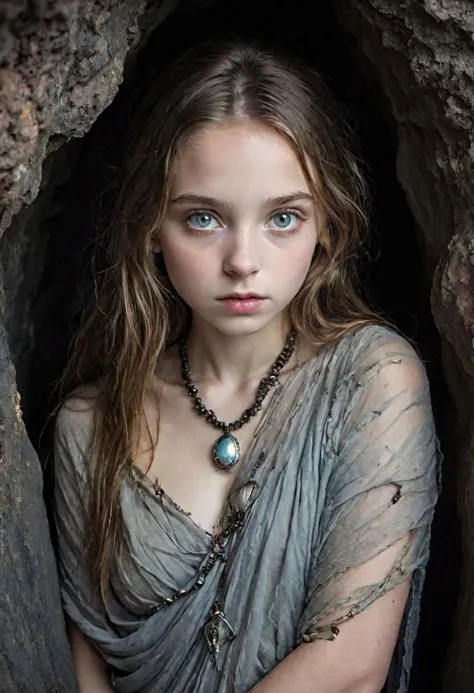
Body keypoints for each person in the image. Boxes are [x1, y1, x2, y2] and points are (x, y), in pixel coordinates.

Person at [52, 39, 440, 693]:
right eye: (203, 218)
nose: (243, 260)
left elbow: (350, 667)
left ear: (327, 225)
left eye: (283, 218)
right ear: (151, 226)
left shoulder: (373, 381)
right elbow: (83, 668)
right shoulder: (87, 427)